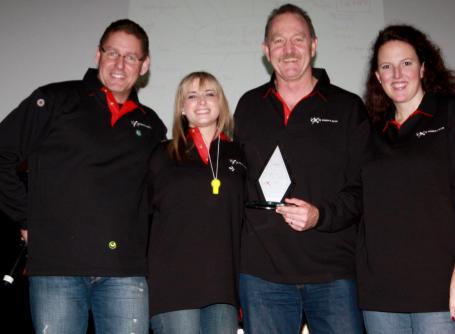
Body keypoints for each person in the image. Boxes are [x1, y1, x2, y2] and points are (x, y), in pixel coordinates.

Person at [314, 24, 455, 333]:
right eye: (387, 66)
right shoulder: (371, 132)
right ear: (377, 77)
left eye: (406, 63)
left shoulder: (452, 114)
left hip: (441, 292)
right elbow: (353, 197)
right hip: (380, 297)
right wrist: (317, 213)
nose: (397, 74)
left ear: (424, 68)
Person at [0, 19, 166, 334]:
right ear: (97, 55)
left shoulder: (151, 125)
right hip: (57, 267)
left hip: (125, 272)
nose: (120, 64)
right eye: (112, 53)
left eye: (131, 57)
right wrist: (26, 218)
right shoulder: (54, 100)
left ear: (144, 65)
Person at [234, 3, 367, 333]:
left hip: (333, 274)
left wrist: (320, 215)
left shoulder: (348, 108)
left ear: (314, 45)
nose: (289, 50)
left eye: (298, 39)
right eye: (278, 41)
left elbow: (363, 190)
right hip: (262, 275)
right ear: (266, 50)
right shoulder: (248, 106)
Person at [148, 72, 246, 334]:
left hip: (223, 287)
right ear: (182, 107)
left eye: (209, 94)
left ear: (221, 103)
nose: (201, 101)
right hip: (174, 286)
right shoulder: (161, 154)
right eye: (192, 96)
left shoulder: (239, 154)